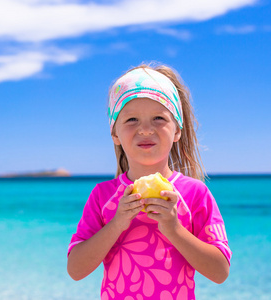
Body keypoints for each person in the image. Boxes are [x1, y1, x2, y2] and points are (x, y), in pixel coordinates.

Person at [67, 63, 231, 300]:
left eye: (158, 118)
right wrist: (117, 224)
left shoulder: (195, 194)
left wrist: (175, 230)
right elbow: (75, 269)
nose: (145, 130)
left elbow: (220, 271)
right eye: (131, 119)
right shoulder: (103, 196)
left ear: (177, 131)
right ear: (115, 134)